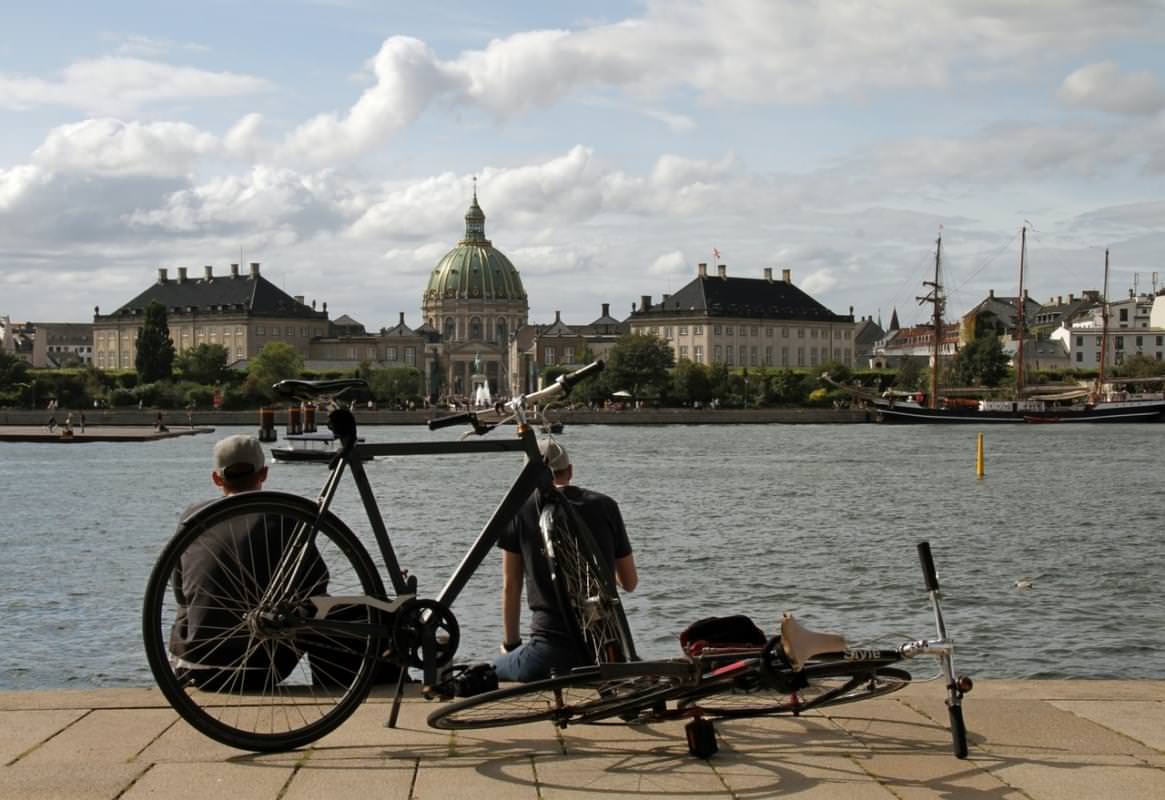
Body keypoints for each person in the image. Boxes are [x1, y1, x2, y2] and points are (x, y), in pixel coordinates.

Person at [169, 435, 396, 690]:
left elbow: (181, 592)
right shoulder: (283, 515)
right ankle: (358, 683)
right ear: (264, 473)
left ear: (216, 478)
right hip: (257, 669)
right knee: (347, 612)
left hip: (191, 666)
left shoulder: (193, 516)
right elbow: (316, 587)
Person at [494, 438, 638, 682]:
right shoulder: (605, 505)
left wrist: (511, 645)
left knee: (493, 670)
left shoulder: (518, 510)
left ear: (526, 476)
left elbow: (511, 586)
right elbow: (629, 582)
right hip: (605, 650)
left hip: (548, 652)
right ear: (570, 470)